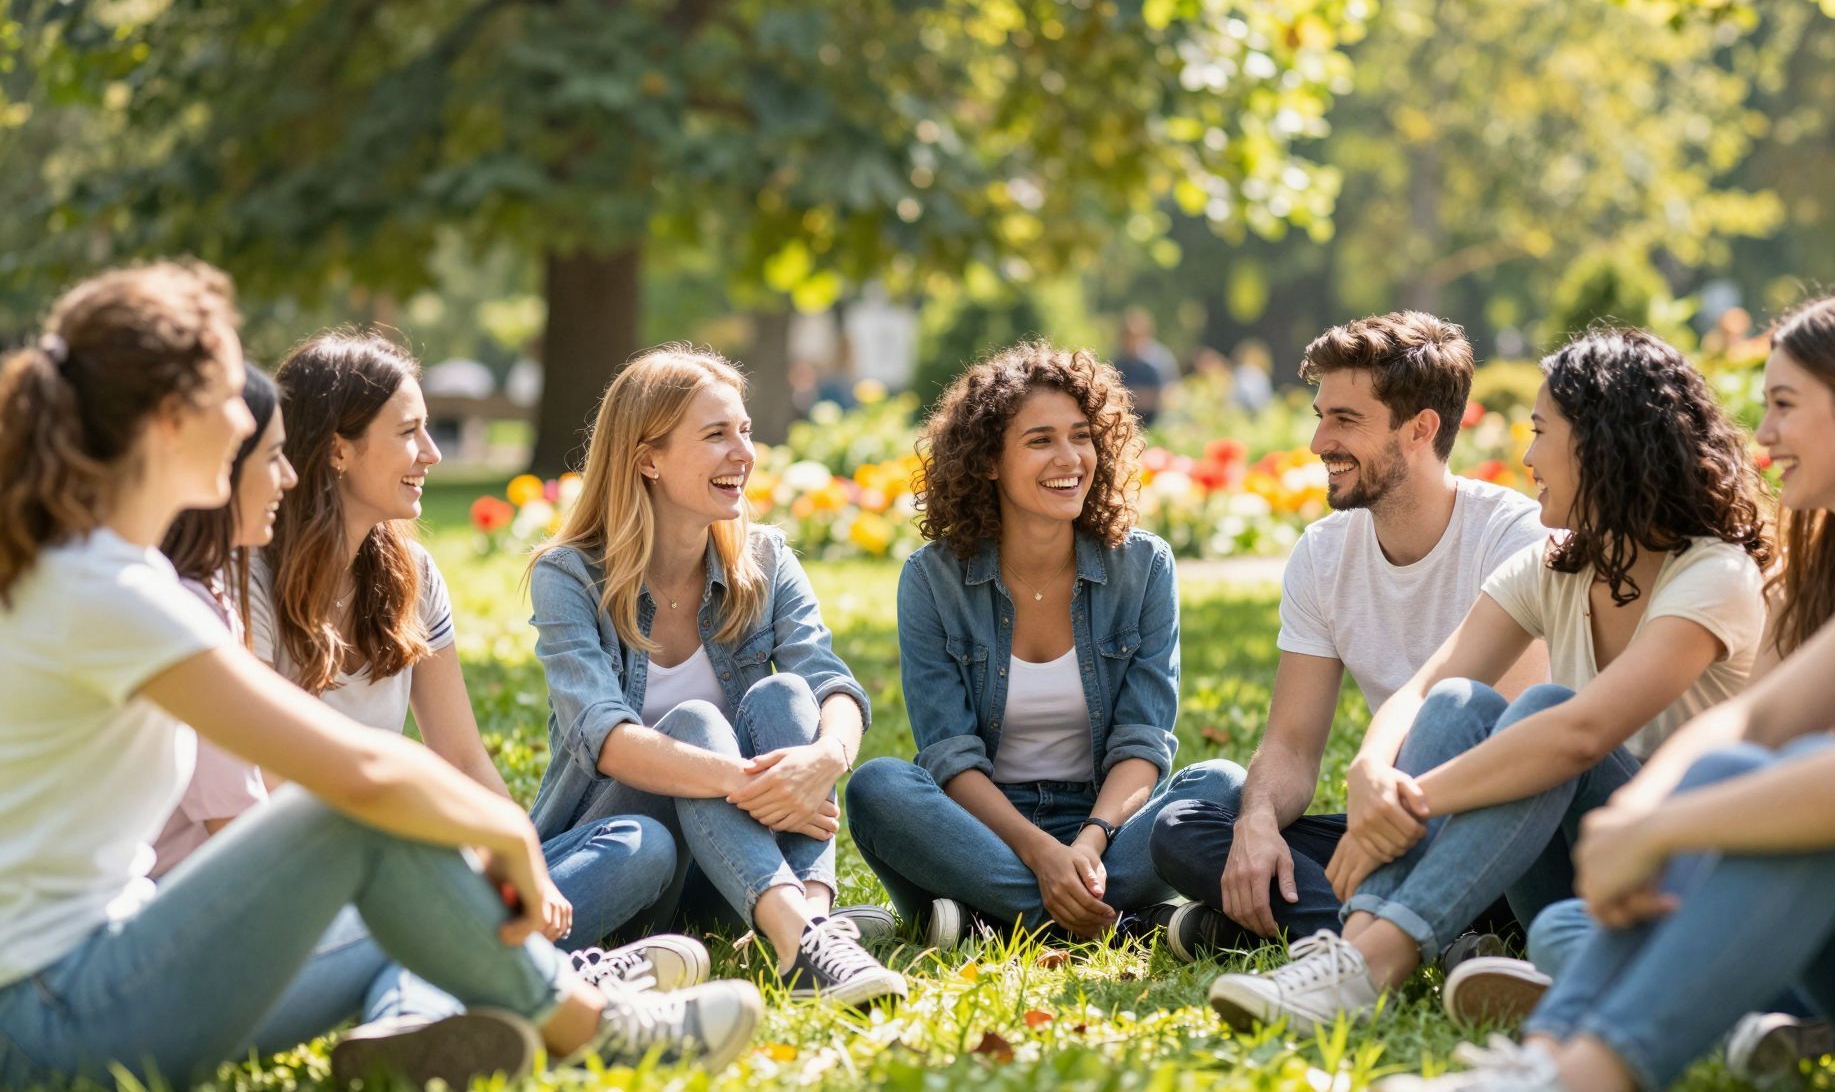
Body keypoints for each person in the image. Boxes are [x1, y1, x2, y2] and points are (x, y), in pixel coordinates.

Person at [0, 262, 761, 1090]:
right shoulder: (106, 590)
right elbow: (358, 774)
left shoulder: (108, 575)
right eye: (228, 395)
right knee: (360, 814)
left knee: (423, 903)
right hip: (52, 1019)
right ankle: (591, 1025)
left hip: (112, 978)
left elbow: (432, 761)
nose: (253, 419)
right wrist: (504, 835)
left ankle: (474, 1007)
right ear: (170, 419)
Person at [1384, 240, 1835, 1092]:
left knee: (1823, 795)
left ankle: (1581, 1072)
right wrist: (1646, 810)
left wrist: (1666, 831)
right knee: (1743, 768)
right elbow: (1757, 719)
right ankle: (1550, 1057)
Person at [1204, 328, 1772, 1037]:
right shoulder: (1553, 566)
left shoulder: (1713, 574)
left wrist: (1408, 802)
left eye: (1540, 433)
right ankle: (1370, 950)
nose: (1526, 458)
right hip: (1572, 874)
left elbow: (1580, 734)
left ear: (1603, 446)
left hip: (1677, 871)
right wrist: (1372, 769)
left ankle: (1374, 960)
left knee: (1544, 709)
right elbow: (1428, 687)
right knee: (1456, 703)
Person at [1442, 294, 1835, 1066]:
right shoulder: (1821, 571)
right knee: (1564, 923)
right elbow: (1753, 734)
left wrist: (1665, 827)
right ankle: (1688, 1011)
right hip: (1777, 868)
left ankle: (1599, 1022)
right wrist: (1649, 818)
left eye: (1785, 405)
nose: (1762, 434)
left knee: (1590, 905)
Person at [249, 332, 701, 1077]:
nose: (431, 453)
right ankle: (531, 984)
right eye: (408, 432)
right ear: (336, 450)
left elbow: (460, 756)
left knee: (638, 846)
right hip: (321, 874)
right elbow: (264, 794)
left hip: (422, 859)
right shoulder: (253, 582)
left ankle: (474, 985)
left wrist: (516, 859)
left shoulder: (412, 572)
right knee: (431, 888)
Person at [1147, 313, 1549, 961]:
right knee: (1184, 828)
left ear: (1420, 429)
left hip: (1495, 828)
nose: (1318, 442)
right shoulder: (1323, 554)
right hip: (1386, 827)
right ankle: (1410, 940)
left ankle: (1321, 935)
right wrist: (1256, 824)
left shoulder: (1512, 538)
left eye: (1345, 420)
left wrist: (1385, 812)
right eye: (1320, 416)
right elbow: (1291, 745)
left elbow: (1512, 747)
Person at [525, 342, 906, 1007]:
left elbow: (829, 681)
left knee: (786, 693)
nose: (744, 453)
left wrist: (825, 757)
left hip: (730, 872)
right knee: (697, 724)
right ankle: (804, 935)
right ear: (647, 458)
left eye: (745, 431)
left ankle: (810, 928)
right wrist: (752, 782)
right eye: (716, 435)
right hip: (625, 853)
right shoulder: (570, 576)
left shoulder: (765, 560)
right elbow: (603, 737)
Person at [845, 342, 1226, 946]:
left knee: (1223, 784)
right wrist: (1040, 853)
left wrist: (1088, 842)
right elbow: (950, 756)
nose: (1069, 458)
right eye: (1040, 440)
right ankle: (1116, 922)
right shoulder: (932, 579)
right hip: (982, 830)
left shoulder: (1144, 566)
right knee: (878, 788)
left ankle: (993, 920)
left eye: (1081, 436)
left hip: (1106, 827)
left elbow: (1143, 741)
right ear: (988, 462)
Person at [151, 363, 297, 877]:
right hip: (171, 895)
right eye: (274, 458)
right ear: (224, 465)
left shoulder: (206, 593)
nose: (289, 477)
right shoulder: (181, 606)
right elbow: (237, 827)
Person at [1114, 308, 1178, 426]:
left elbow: (1169, 395)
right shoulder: (1119, 363)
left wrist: (1132, 397)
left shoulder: (1160, 360)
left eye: (1135, 336)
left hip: (1157, 424)